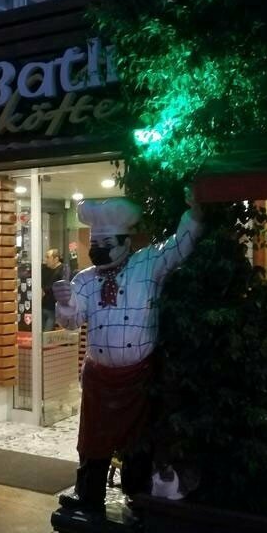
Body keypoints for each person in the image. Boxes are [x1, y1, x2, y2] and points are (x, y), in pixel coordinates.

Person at [52, 192, 202, 513]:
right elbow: (72, 320)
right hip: (99, 378)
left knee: (138, 443)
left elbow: (178, 246)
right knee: (92, 440)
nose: (98, 250)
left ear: (126, 242)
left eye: (106, 244)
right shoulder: (84, 280)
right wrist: (64, 302)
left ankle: (138, 498)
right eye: (95, 244)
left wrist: (196, 212)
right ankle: (88, 495)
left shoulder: (147, 263)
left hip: (139, 377)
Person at [41, 248, 64, 332]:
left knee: (47, 334)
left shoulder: (63, 270)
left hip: (53, 309)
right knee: (40, 333)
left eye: (48, 257)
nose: (46, 260)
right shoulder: (45, 270)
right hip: (43, 306)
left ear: (56, 259)